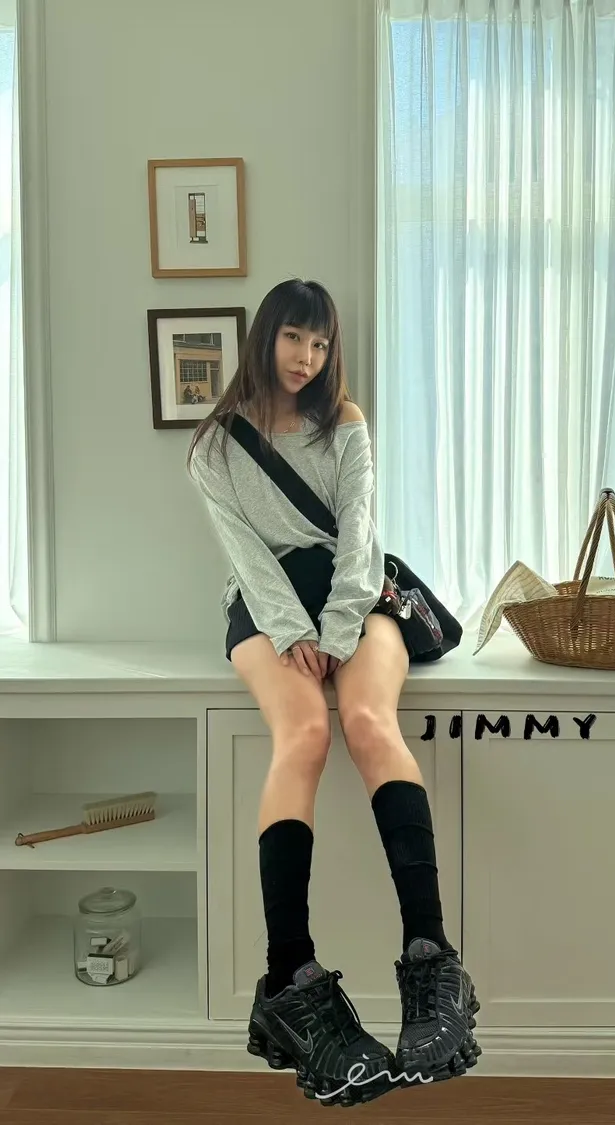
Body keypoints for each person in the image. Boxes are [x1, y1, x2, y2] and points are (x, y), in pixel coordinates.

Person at [188, 278, 480, 1107]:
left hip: (357, 595)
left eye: (320, 344)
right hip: (268, 606)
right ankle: (292, 977)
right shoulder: (214, 447)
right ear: (266, 336)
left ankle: (433, 962)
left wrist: (341, 626)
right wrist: (293, 632)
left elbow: (360, 534)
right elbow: (246, 555)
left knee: (367, 720)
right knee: (305, 736)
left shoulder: (345, 422)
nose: (307, 358)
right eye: (294, 338)